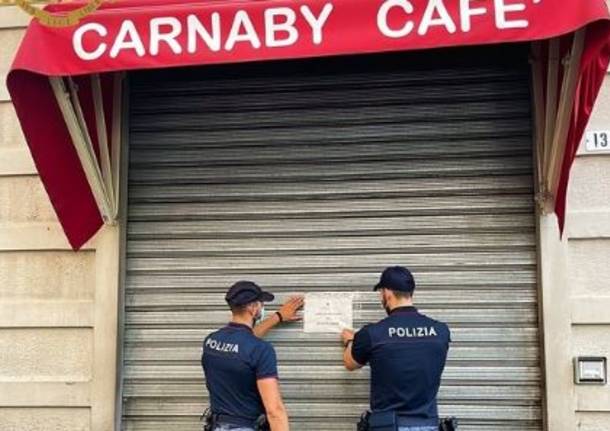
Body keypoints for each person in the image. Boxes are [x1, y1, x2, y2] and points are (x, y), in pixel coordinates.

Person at [341, 266, 451, 431]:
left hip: (387, 426)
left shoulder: (371, 334)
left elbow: (350, 363)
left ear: (387, 293)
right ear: (410, 293)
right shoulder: (441, 331)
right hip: (428, 425)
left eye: (381, 293)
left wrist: (351, 341)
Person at [202, 280, 304, 431]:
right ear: (252, 307)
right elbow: (274, 410)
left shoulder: (211, 341)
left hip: (217, 426)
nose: (262, 306)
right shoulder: (261, 350)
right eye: (261, 303)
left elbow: (243, 342)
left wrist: (278, 317)